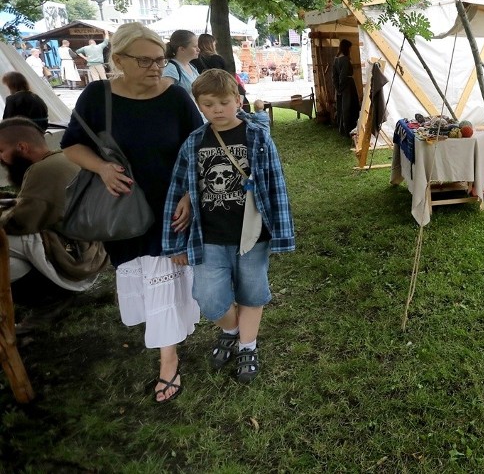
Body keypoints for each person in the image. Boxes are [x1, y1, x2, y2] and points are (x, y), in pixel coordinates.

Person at [61, 22, 203, 403]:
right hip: (122, 208)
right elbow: (72, 146)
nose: (156, 68)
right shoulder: (97, 96)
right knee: (145, 273)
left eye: (160, 59)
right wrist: (102, 168)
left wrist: (190, 193)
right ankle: (168, 339)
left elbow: (199, 148)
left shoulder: (176, 97)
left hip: (171, 206)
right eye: (145, 60)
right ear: (119, 59)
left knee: (164, 275)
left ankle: (168, 362)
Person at [163, 69, 295, 384]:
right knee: (208, 297)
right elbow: (177, 190)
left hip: (252, 236)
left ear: (238, 100)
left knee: (252, 292)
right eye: (208, 104)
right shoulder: (194, 142)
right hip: (208, 236)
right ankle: (230, 329)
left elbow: (275, 184)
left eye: (224, 102)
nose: (217, 110)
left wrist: (282, 234)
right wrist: (175, 243)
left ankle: (247, 345)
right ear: (199, 105)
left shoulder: (258, 137)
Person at [0, 118, 107, 293]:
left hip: (75, 260)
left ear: (22, 147)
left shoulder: (43, 170)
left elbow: (21, 222)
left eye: (2, 150)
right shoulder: (65, 157)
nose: (1, 158)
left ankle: (50, 298)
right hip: (94, 251)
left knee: (3, 237)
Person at [192, 33, 250, 110]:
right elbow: (225, 76)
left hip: (202, 89)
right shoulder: (216, 59)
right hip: (219, 88)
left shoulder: (194, 60)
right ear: (211, 45)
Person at [332, 39, 359, 138]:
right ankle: (348, 130)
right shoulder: (345, 60)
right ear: (347, 48)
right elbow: (342, 76)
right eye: (350, 48)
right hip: (347, 86)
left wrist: (337, 88)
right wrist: (341, 88)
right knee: (349, 108)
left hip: (341, 87)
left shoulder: (336, 59)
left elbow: (334, 76)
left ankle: (342, 129)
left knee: (342, 108)